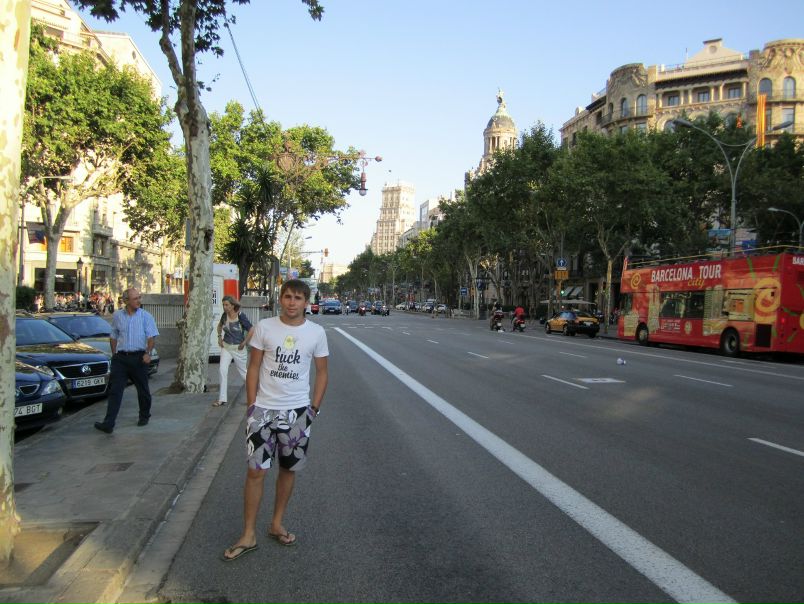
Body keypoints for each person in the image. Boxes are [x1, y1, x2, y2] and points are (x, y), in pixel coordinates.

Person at [222, 279, 329, 561]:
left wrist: (313, 409)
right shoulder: (264, 328)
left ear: (306, 302)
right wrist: (251, 405)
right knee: (255, 471)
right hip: (263, 411)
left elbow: (322, 372)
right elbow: (254, 366)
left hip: (297, 414)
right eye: (287, 296)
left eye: (298, 298)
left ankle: (276, 523)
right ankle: (248, 534)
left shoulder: (316, 333)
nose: (292, 302)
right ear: (280, 299)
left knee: (288, 470)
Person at [94, 288, 159, 434]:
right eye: (135, 298)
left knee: (143, 390)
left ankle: (144, 416)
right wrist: (114, 354)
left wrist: (148, 353)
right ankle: (109, 423)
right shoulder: (118, 316)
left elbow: (151, 337)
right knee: (115, 391)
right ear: (126, 301)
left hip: (139, 358)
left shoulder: (146, 316)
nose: (138, 301)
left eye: (139, 297)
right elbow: (113, 335)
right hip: (121, 359)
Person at [212, 295, 254, 407]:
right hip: (226, 347)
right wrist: (219, 337)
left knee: (244, 374)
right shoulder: (224, 315)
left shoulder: (240, 316)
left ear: (232, 305)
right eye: (223, 305)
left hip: (238, 348)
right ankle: (222, 399)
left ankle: (253, 397)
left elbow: (251, 329)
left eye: (227, 305)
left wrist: (244, 342)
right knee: (222, 370)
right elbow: (219, 326)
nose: (224, 307)